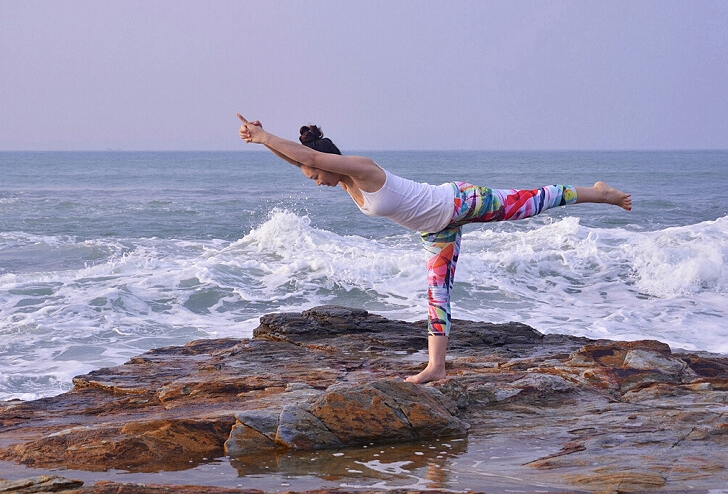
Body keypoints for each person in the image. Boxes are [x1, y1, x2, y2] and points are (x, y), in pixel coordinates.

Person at [236, 113, 632, 384]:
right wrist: (262, 141)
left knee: (529, 203)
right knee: (436, 296)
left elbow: (307, 157)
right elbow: (301, 161)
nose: (314, 180)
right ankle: (436, 367)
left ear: (330, 162)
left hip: (457, 202)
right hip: (436, 231)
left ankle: (597, 193)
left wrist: (265, 135)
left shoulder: (361, 168)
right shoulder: (342, 181)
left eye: (316, 174)